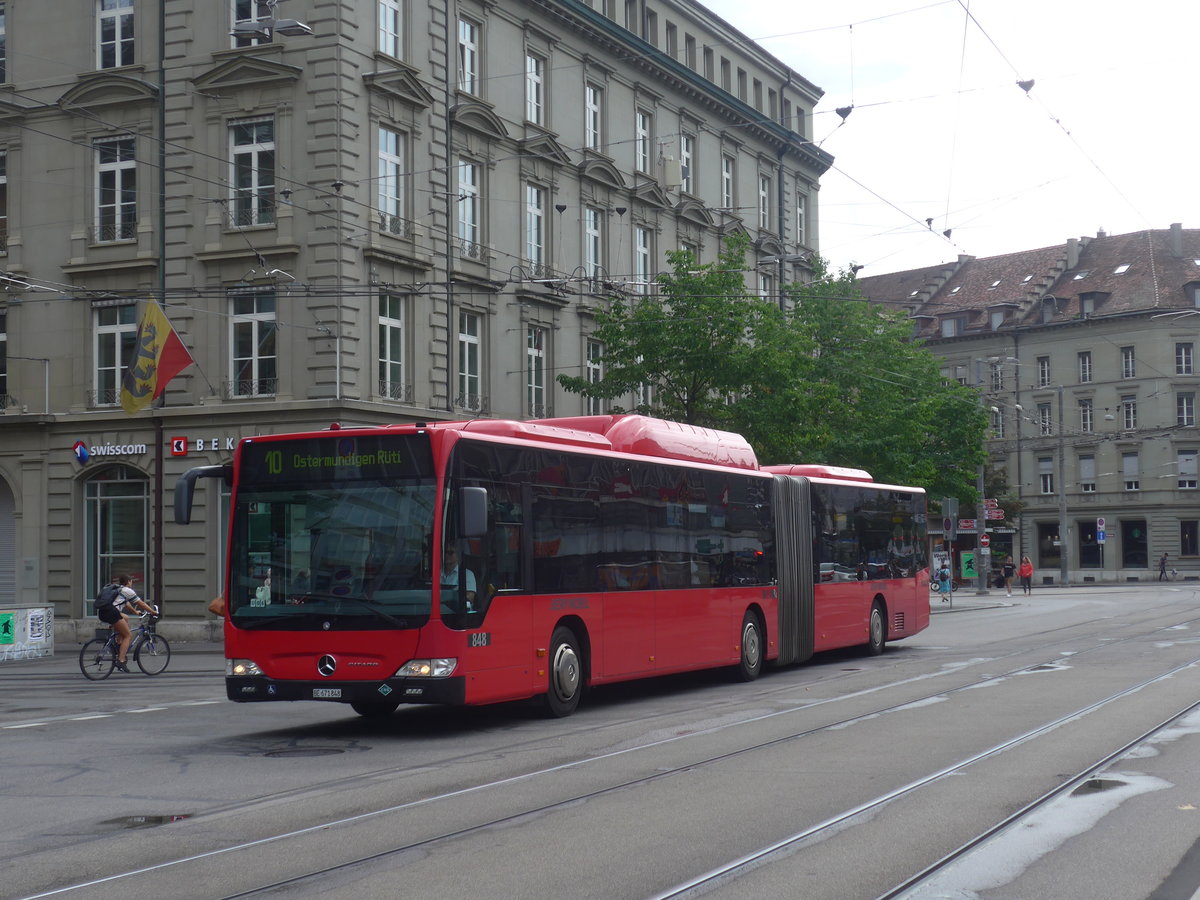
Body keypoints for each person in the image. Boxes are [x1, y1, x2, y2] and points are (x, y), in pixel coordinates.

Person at [97, 574, 157, 672]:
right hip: (112, 613)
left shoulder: (119, 590)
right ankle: (120, 660)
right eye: (131, 582)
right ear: (128, 582)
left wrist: (135, 612)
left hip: (103, 613)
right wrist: (153, 612)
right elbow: (141, 603)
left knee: (126, 618)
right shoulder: (127, 591)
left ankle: (119, 644)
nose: (131, 583)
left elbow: (127, 604)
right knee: (128, 635)